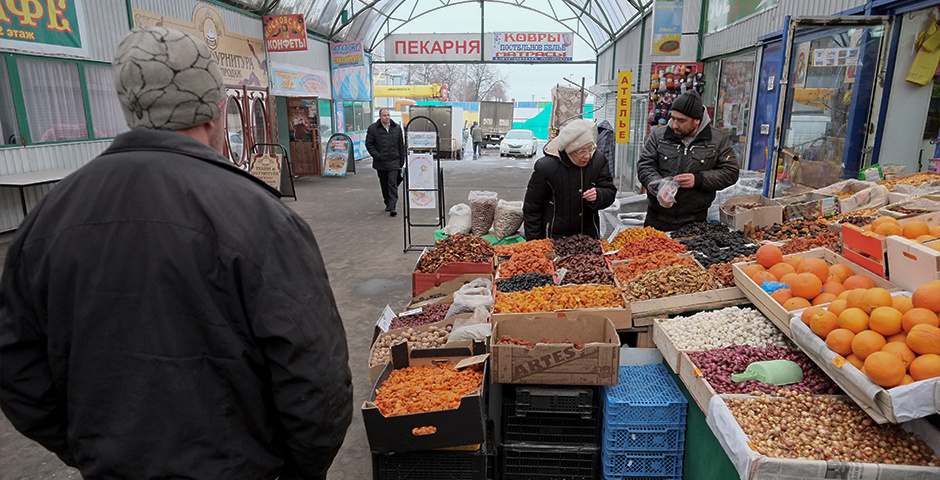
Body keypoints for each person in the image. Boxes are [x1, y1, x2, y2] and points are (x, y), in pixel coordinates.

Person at [0, 26, 353, 480]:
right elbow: (316, 380)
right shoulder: (261, 218)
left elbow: (17, 367)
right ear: (216, 111)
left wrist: (88, 446)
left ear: (130, 109)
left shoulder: (45, 221)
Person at [637, 90, 739, 232]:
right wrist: (659, 185)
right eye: (673, 118)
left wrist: (699, 180)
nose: (674, 125)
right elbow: (644, 166)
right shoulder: (658, 136)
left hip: (695, 222)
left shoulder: (717, 140)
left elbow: (731, 172)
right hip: (657, 219)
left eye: (681, 120)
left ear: (697, 120)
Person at [523, 119, 617, 240]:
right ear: (569, 151)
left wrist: (599, 195)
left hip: (588, 238)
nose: (587, 156)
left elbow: (609, 191)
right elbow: (532, 210)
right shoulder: (546, 167)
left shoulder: (598, 160)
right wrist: (535, 245)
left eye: (590, 148)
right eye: (581, 151)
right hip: (554, 240)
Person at [366, 107, 406, 216]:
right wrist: (377, 156)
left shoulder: (396, 128)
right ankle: (387, 202)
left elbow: (401, 145)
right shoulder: (373, 129)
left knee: (392, 183)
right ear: (380, 117)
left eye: (388, 115)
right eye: (384, 115)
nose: (387, 117)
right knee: (384, 184)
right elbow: (369, 144)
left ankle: (393, 206)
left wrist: (402, 161)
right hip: (381, 163)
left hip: (394, 161)